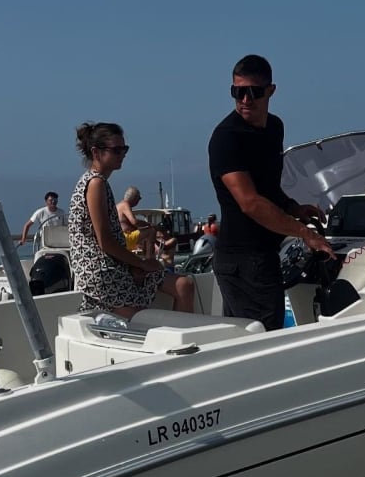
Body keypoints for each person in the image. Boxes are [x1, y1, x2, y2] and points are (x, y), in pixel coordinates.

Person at [208, 54, 334, 330]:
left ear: (270, 91)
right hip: (241, 259)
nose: (245, 99)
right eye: (237, 92)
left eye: (253, 92)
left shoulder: (274, 128)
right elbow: (250, 202)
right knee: (263, 340)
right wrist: (305, 233)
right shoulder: (227, 137)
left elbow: (268, 187)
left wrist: (293, 209)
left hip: (264, 254)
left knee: (250, 340)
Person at [69, 122, 194, 320]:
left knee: (184, 285)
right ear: (96, 152)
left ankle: (186, 341)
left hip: (114, 266)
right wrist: (142, 264)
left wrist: (138, 264)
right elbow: (105, 241)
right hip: (102, 274)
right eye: (116, 150)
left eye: (124, 149)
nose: (122, 154)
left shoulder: (98, 182)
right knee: (143, 321)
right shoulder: (95, 184)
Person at [116, 186, 156, 257]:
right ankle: (149, 258)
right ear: (134, 198)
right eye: (139, 199)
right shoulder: (125, 205)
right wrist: (148, 224)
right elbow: (134, 222)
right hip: (125, 238)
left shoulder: (118, 205)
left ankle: (143, 255)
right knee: (151, 231)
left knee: (142, 233)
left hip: (119, 237)